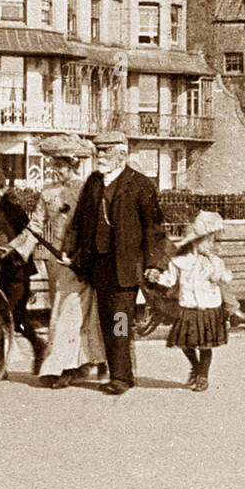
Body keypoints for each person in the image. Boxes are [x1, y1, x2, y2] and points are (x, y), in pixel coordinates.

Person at [69, 132, 168, 396]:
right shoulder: (93, 182)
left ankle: (122, 377)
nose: (99, 157)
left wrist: (154, 264)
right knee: (106, 320)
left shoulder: (139, 185)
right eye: (98, 151)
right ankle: (120, 372)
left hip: (126, 267)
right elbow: (80, 222)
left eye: (105, 152)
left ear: (121, 155)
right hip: (98, 265)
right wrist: (73, 253)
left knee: (120, 320)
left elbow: (154, 228)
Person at [34, 147, 106, 389]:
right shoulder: (47, 192)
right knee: (64, 313)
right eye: (54, 166)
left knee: (71, 313)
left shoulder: (84, 190)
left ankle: (66, 367)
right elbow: (36, 224)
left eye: (62, 166)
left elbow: (90, 225)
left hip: (79, 259)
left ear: (73, 166)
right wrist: (17, 248)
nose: (57, 171)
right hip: (56, 260)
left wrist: (82, 257)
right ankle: (84, 362)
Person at [158, 211, 240, 392]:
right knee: (184, 342)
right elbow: (171, 279)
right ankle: (195, 366)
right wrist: (157, 277)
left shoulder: (214, 261)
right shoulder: (180, 261)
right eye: (209, 240)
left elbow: (222, 279)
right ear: (196, 241)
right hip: (188, 305)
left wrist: (219, 272)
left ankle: (203, 376)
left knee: (205, 345)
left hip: (208, 306)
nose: (212, 245)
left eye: (214, 241)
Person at [0, 167, 46, 372]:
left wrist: (13, 249)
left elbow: (29, 237)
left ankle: (38, 345)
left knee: (16, 316)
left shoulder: (13, 211)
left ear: (1, 191)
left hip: (15, 272)